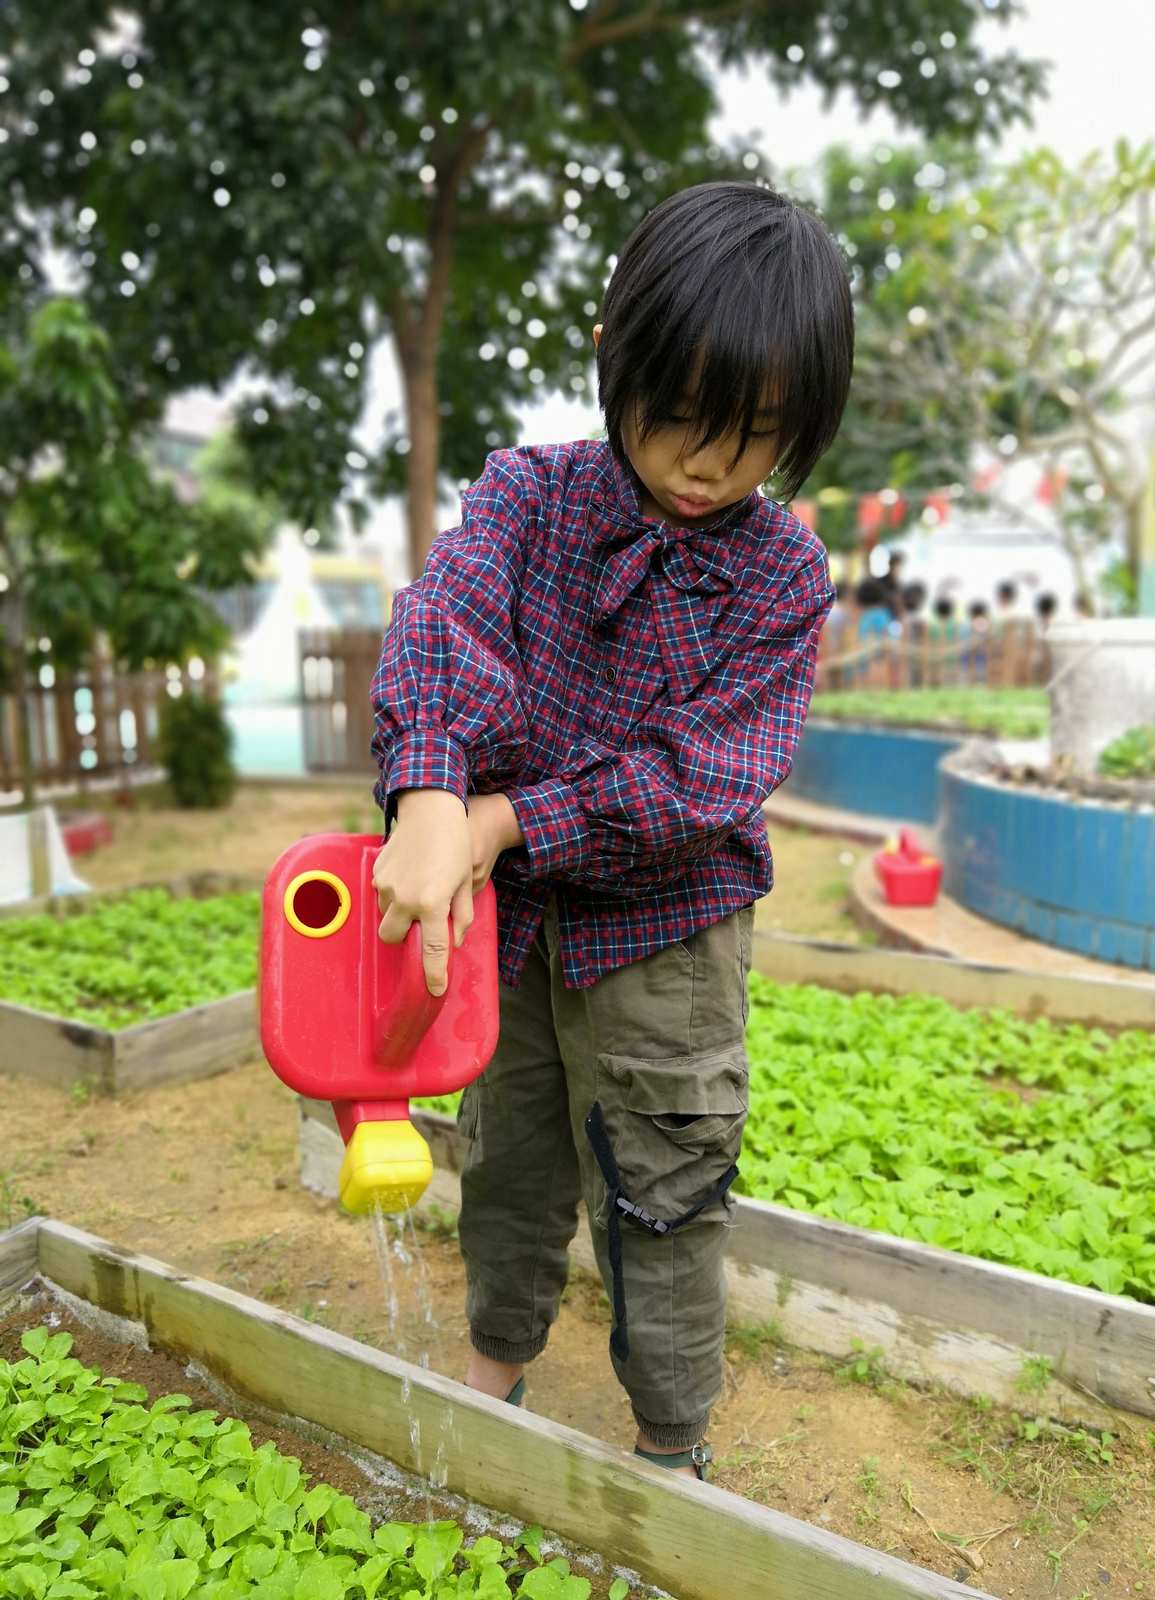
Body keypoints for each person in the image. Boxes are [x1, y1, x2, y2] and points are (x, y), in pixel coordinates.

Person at [368, 181, 853, 1481]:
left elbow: (706, 778)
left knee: (664, 1180)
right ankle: (494, 1359)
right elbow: (446, 618)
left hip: (668, 937)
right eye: (682, 417)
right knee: (509, 1151)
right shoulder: (529, 499)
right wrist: (426, 790)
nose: (709, 464)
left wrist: (502, 816)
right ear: (614, 353)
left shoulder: (782, 580)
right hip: (508, 922)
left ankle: (668, 1445)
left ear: (801, 428)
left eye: (756, 436)